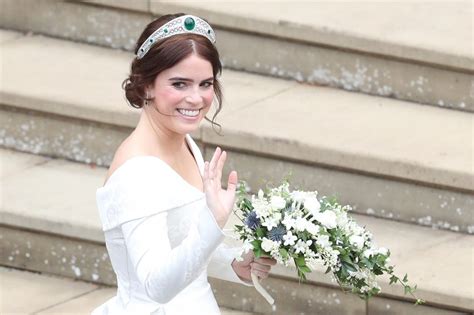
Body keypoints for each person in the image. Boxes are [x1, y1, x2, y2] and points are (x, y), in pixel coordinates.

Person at [92, 13, 276, 315]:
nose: (196, 98)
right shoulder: (136, 174)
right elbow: (156, 285)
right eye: (179, 84)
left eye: (205, 84)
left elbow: (178, 240)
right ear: (147, 85)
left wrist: (232, 264)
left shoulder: (184, 143)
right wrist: (212, 223)